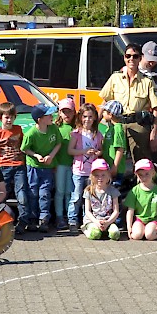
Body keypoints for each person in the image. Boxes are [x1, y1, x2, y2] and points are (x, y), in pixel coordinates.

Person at [99, 43, 157, 165]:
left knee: (141, 163)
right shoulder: (115, 78)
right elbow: (105, 101)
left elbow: (156, 108)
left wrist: (153, 134)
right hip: (117, 124)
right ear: (124, 57)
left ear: (140, 58)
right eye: (128, 56)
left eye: (135, 56)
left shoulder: (147, 81)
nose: (131, 59)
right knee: (113, 160)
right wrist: (95, 125)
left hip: (138, 126)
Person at [0, 101, 31, 231]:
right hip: (3, 166)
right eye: (6, 117)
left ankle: (23, 221)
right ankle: (0, 220)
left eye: (12, 117)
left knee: (21, 194)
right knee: (2, 194)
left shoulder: (18, 130)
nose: (9, 120)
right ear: (0, 118)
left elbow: (23, 145)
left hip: (19, 166)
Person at [21, 104, 60, 232]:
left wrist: (51, 156)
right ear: (40, 119)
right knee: (33, 192)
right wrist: (36, 155)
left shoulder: (53, 128)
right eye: (48, 115)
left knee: (45, 193)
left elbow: (58, 143)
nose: (52, 117)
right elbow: (24, 149)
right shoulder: (31, 134)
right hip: (34, 167)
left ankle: (44, 218)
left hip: (47, 167)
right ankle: (32, 218)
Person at [68, 103, 103, 232]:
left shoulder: (97, 134)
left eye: (90, 116)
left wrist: (97, 153)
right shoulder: (76, 133)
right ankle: (72, 220)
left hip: (92, 172)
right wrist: (83, 151)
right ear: (80, 117)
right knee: (76, 196)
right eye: (85, 116)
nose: (87, 119)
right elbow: (70, 150)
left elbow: (100, 150)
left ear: (94, 118)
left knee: (89, 197)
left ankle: (86, 220)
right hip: (79, 171)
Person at [80, 158, 122, 241]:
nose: (100, 178)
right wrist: (96, 222)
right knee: (95, 235)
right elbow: (87, 211)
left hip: (108, 220)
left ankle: (105, 231)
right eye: (97, 175)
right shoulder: (88, 191)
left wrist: (108, 222)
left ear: (108, 176)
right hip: (93, 220)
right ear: (92, 177)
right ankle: (86, 229)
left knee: (115, 234)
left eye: (103, 175)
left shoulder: (113, 191)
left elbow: (116, 211)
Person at [126, 158, 157, 241]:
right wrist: (129, 226)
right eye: (140, 175)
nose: (144, 177)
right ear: (136, 175)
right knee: (136, 235)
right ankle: (142, 230)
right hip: (139, 219)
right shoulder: (134, 191)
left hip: (152, 220)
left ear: (153, 172)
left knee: (150, 235)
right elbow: (130, 210)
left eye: (147, 174)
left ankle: (152, 232)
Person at [52, 98, 76, 230]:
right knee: (60, 191)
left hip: (73, 165)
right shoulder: (56, 128)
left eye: (69, 111)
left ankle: (69, 215)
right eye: (64, 112)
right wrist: (54, 163)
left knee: (69, 192)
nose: (67, 115)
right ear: (59, 113)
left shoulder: (76, 128)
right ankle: (59, 216)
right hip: (60, 164)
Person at [99, 100, 129, 187]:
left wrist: (115, 167)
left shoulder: (118, 129)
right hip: (108, 166)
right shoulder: (111, 128)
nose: (103, 113)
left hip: (115, 169)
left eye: (104, 111)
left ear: (110, 114)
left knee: (113, 190)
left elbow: (120, 148)